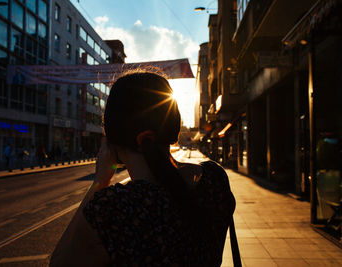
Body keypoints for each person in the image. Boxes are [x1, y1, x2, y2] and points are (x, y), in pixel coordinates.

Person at [50, 72, 236, 266]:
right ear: (173, 126)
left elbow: (59, 262)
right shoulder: (214, 179)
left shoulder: (115, 208)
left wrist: (100, 181)